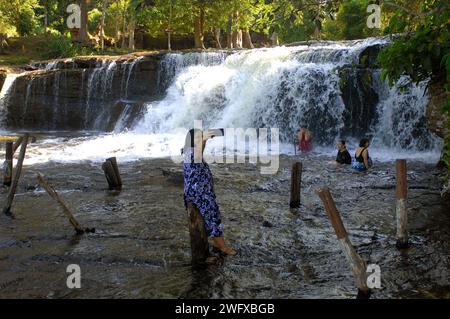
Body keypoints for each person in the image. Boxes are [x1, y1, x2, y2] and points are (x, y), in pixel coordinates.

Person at [182, 128, 236, 255]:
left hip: (198, 192)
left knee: (212, 214)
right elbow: (198, 156)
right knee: (214, 216)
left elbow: (200, 151)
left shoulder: (189, 150)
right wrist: (203, 138)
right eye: (197, 138)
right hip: (199, 194)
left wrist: (204, 139)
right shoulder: (192, 153)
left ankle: (216, 241)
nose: (200, 140)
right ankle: (222, 247)